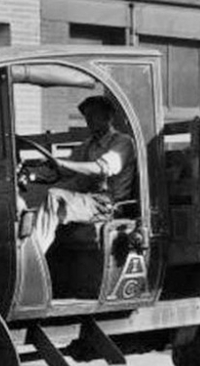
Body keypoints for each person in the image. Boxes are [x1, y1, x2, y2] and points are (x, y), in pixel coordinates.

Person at [30, 95, 135, 254]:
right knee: (35, 196)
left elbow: (102, 168)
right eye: (87, 116)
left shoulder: (122, 142)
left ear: (108, 117)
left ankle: (34, 258)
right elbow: (67, 169)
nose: (89, 120)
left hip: (107, 205)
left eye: (94, 115)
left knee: (54, 197)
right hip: (88, 200)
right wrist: (38, 169)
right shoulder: (88, 145)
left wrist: (64, 163)